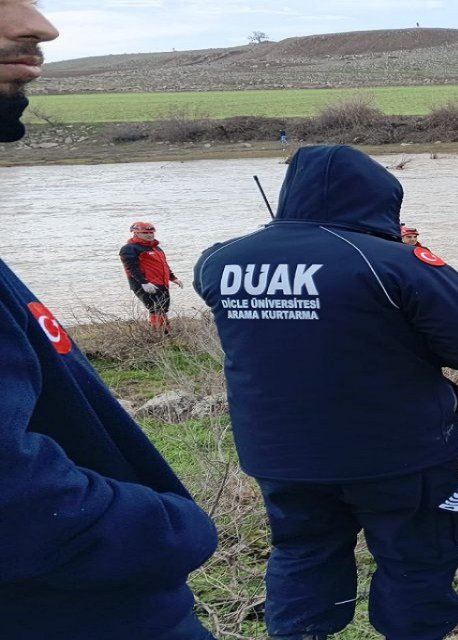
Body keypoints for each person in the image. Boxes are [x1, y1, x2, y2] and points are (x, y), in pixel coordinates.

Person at [193, 145, 458, 640]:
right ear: (379, 199)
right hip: (398, 453)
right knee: (417, 556)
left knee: (302, 551)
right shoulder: (395, 262)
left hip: (280, 454)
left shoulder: (219, 261)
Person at [0, 4, 219, 639]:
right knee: (156, 318)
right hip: (79, 607)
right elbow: (19, 502)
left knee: (162, 314)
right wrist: (168, 524)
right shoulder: (130, 248)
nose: (43, 27)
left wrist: (168, 275)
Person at [120, 220, 182, 330]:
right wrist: (144, 283)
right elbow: (131, 268)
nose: (149, 235)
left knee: (163, 307)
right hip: (145, 284)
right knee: (155, 307)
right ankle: (159, 332)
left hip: (162, 282)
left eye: (151, 233)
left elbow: (164, 265)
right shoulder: (129, 249)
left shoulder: (156, 248)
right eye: (145, 233)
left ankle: (163, 330)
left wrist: (173, 278)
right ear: (136, 233)